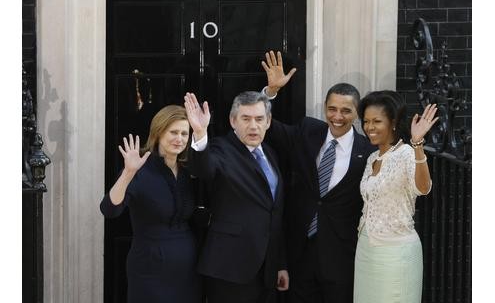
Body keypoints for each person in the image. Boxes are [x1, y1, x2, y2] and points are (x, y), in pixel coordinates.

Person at [260, 51, 375, 303]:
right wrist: (270, 93)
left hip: (341, 258)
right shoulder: (307, 131)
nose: (337, 116)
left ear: (357, 113)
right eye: (332, 109)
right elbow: (266, 128)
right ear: (324, 108)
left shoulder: (368, 151)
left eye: (346, 111)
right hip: (300, 254)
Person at [183, 91, 289, 303]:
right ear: (233, 121)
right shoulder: (220, 149)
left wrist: (280, 264)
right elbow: (203, 168)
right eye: (246, 119)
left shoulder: (271, 153)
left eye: (259, 119)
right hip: (229, 268)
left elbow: (274, 214)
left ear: (268, 122)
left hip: (267, 271)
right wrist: (200, 133)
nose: (253, 126)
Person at [99, 105, 202, 303]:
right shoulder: (139, 168)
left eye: (184, 133)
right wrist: (128, 173)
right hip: (150, 268)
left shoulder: (188, 171)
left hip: (187, 270)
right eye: (173, 132)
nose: (179, 139)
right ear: (158, 132)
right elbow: (109, 210)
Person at [354, 90, 437, 303]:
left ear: (393, 122)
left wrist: (418, 145)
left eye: (376, 121)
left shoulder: (407, 153)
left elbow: (423, 188)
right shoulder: (373, 157)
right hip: (365, 249)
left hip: (395, 253)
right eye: (366, 121)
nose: (369, 127)